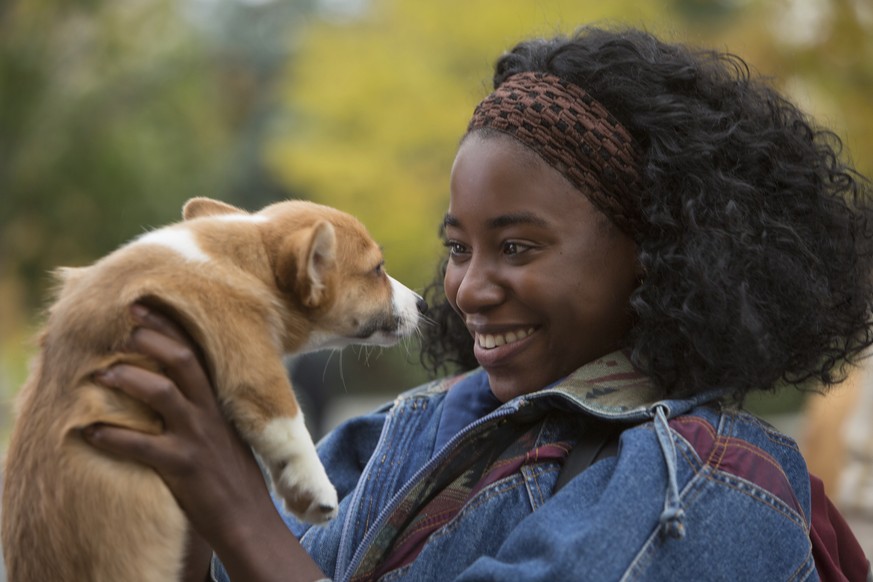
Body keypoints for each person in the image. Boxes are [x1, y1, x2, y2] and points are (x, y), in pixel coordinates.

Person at [84, 24, 873, 581]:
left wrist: (235, 506)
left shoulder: (708, 485)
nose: (467, 287)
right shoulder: (419, 427)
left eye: (517, 247)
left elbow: (256, 542)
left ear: (658, 251)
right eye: (458, 247)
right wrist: (178, 466)